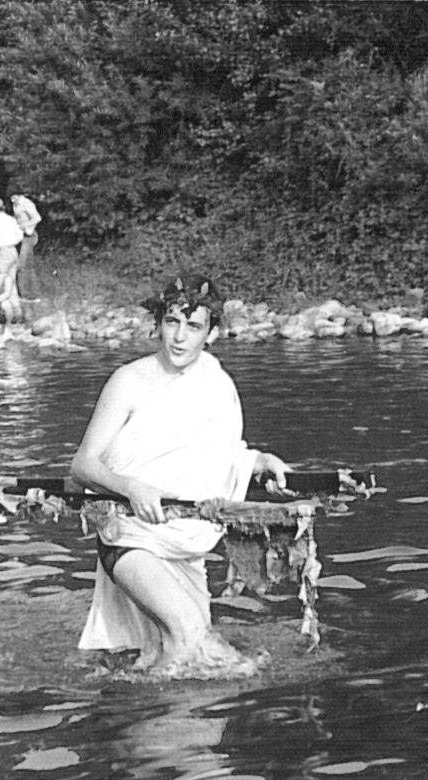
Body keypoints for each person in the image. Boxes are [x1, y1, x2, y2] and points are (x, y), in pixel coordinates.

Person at [71, 274, 289, 676]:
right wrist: (131, 487)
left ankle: (143, 716)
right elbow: (83, 465)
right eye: (172, 322)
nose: (180, 338)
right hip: (130, 535)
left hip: (187, 545)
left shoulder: (218, 385)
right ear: (158, 323)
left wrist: (258, 461)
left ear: (212, 334)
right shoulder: (129, 381)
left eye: (193, 327)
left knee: (186, 653)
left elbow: (221, 454)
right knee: (189, 636)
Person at [0, 199, 25, 322]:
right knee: (12, 282)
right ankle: (18, 313)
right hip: (14, 251)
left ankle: (3, 314)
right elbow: (20, 236)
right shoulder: (12, 219)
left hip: (3, 252)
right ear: (3, 208)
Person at [10, 193, 42, 299]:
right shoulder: (15, 205)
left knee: (21, 266)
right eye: (11, 197)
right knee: (28, 266)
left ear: (19, 195)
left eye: (14, 196)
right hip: (21, 236)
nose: (12, 199)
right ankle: (33, 294)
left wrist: (26, 225)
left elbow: (37, 218)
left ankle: (25, 294)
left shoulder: (27, 203)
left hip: (29, 235)